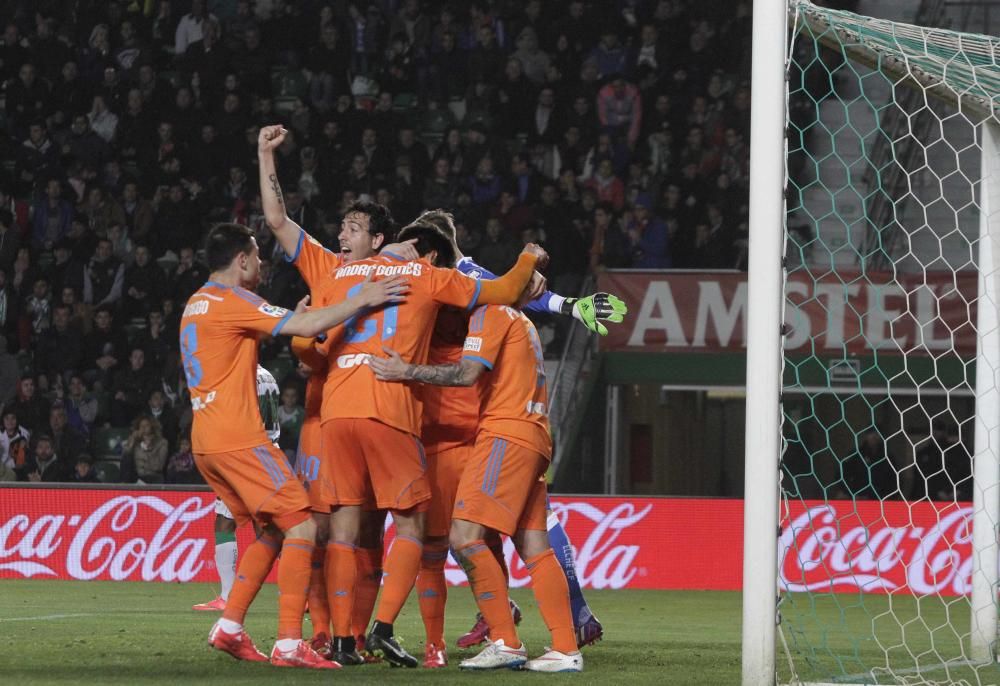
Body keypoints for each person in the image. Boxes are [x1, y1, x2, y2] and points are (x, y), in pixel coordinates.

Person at [258, 123, 544, 668]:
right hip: (389, 407)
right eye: (341, 225)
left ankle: (342, 640)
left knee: (343, 526)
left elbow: (276, 219)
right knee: (412, 526)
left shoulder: (331, 268)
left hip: (335, 411)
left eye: (351, 226)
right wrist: (529, 258)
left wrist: (264, 153)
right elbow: (505, 291)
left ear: (374, 240)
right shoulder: (422, 274)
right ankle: (383, 627)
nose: (342, 234)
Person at [183, 221, 405, 669]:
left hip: (206, 438)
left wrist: (294, 316)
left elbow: (257, 332)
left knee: (272, 528)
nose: (262, 264)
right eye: (258, 257)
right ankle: (289, 643)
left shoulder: (197, 303)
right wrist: (361, 299)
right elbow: (304, 324)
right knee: (303, 526)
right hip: (239, 436)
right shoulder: (235, 300)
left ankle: (229, 626)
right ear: (242, 259)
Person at [369, 297, 583, 672]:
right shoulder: (521, 321)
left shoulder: (490, 313)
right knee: (535, 547)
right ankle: (565, 648)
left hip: (505, 432)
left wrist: (407, 370)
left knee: (464, 537)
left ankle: (504, 640)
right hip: (534, 433)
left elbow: (465, 374)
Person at [193, 365, 282, 612]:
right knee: (269, 527)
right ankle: (299, 594)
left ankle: (228, 596)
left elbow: (237, 419)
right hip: (270, 453)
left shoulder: (239, 376)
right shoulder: (268, 375)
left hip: (246, 454)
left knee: (227, 523)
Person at [121, 414, 168, 484]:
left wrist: (148, 448)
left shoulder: (162, 443)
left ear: (152, 427)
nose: (143, 428)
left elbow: (158, 467)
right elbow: (125, 456)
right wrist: (132, 440)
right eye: (141, 426)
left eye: (146, 425)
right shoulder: (135, 441)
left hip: (153, 477)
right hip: (137, 477)